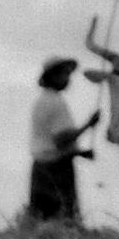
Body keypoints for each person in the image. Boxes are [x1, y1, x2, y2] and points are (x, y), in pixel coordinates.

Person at [25, 60, 98, 223]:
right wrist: (89, 124)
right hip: (57, 170)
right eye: (64, 74)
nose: (68, 79)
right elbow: (61, 140)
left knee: (40, 222)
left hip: (40, 167)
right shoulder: (56, 102)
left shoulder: (41, 101)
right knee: (64, 219)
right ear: (54, 77)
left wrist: (80, 153)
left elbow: (48, 143)